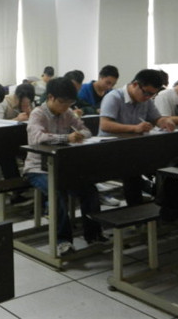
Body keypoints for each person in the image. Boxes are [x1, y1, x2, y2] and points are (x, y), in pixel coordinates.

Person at [23, 77, 106, 255]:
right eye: (62, 102)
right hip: (38, 169)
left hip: (62, 167)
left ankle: (93, 234)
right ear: (50, 97)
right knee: (57, 193)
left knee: (90, 190)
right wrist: (66, 138)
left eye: (70, 103)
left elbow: (86, 131)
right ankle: (63, 241)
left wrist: (80, 135)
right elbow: (37, 138)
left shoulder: (68, 113)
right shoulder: (38, 113)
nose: (66, 106)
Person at [99, 69, 175, 206]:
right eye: (146, 93)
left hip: (134, 149)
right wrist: (134, 128)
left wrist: (165, 121)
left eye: (152, 95)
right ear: (135, 84)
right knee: (133, 171)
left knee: (166, 164)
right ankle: (139, 208)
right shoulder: (114, 97)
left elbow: (157, 118)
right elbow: (105, 125)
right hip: (110, 149)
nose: (148, 97)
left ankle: (166, 204)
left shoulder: (146, 100)